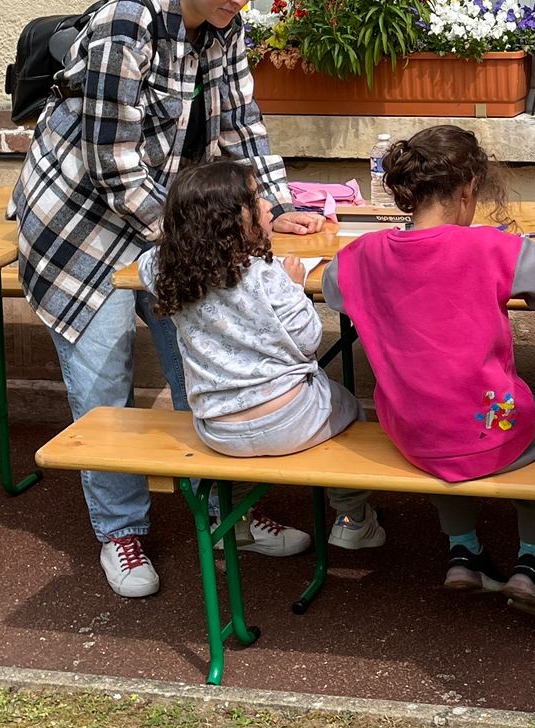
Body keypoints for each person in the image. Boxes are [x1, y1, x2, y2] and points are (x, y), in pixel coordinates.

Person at [13, 0, 325, 600]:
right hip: (81, 226)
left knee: (199, 364)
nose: (241, 1)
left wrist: (276, 207)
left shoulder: (226, 29)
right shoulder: (128, 24)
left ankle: (227, 509)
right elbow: (113, 166)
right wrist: (205, 239)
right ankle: (119, 531)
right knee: (104, 381)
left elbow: (244, 128)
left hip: (173, 221)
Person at [322, 125, 535, 617]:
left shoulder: (363, 255)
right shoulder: (491, 248)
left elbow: (334, 291)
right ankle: (531, 562)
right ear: (467, 190)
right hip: (492, 429)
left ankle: (462, 550)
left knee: (443, 416)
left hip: (412, 431)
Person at [151, 160, 384, 548]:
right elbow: (308, 339)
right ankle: (351, 519)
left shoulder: (168, 270)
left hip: (217, 428)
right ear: (232, 221)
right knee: (349, 407)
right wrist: (295, 287)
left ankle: (235, 522)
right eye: (257, 198)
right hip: (292, 421)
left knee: (241, 457)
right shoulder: (268, 276)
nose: (267, 206)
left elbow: (146, 263)